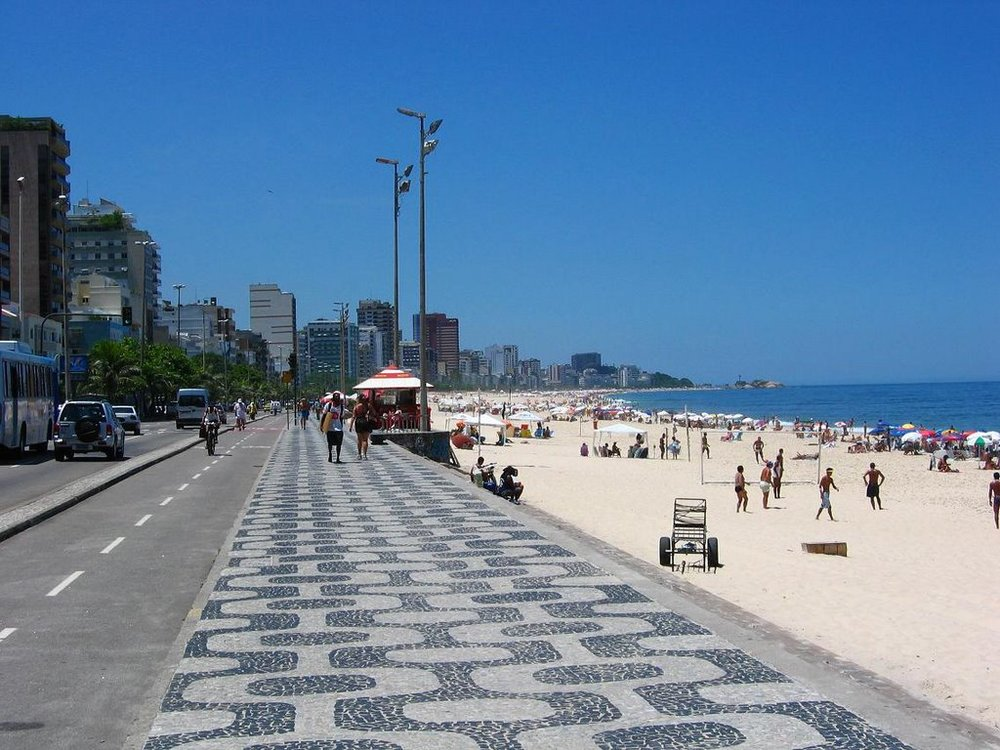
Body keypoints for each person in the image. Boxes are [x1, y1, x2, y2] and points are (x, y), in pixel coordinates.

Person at [322, 392, 347, 463]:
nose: (337, 399)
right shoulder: (329, 405)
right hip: (330, 428)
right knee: (330, 443)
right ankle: (330, 455)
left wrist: (341, 425)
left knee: (339, 443)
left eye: (338, 397)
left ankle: (338, 458)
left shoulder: (342, 407)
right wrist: (322, 425)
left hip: (339, 428)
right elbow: (324, 415)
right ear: (333, 398)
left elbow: (341, 417)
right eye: (336, 397)